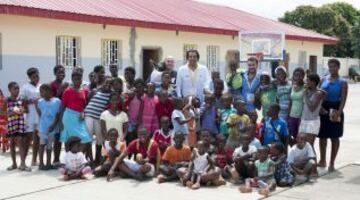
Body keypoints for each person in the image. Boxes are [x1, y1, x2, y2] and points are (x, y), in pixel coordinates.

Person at [318, 59, 348, 172]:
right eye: (330, 66)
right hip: (323, 109)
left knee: (335, 137)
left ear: (338, 67)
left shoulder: (342, 82)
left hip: (336, 109)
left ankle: (332, 162)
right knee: (322, 137)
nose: (332, 69)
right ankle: (322, 160)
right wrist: (319, 108)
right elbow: (318, 94)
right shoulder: (323, 79)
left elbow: (343, 99)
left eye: (334, 66)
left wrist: (339, 112)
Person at [60, 71, 92, 150]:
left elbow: (85, 105)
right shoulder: (67, 91)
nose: (78, 80)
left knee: (85, 139)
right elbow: (62, 107)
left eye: (79, 78)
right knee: (69, 139)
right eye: (75, 79)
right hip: (68, 117)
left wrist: (83, 113)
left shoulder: (85, 91)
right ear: (72, 80)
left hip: (79, 117)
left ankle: (79, 157)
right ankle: (69, 159)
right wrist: (60, 121)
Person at [85, 74, 112, 164]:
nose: (107, 85)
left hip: (98, 118)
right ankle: (90, 159)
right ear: (102, 81)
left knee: (100, 138)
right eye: (106, 82)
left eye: (110, 83)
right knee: (88, 138)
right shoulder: (95, 91)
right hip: (89, 115)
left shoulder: (110, 94)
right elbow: (88, 102)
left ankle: (97, 158)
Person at [36, 84, 61, 170]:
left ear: (50, 91)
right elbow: (40, 114)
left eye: (43, 91)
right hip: (43, 128)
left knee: (49, 146)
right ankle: (41, 163)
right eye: (41, 91)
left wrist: (54, 125)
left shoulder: (57, 101)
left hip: (52, 128)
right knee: (42, 145)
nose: (42, 93)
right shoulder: (40, 102)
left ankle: (48, 163)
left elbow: (58, 114)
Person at [5, 82, 29, 171]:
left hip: (20, 123)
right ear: (10, 90)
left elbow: (27, 110)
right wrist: (11, 112)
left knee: (20, 142)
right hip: (11, 124)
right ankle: (14, 163)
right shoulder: (7, 100)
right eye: (15, 88)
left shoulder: (21, 99)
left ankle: (23, 163)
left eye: (18, 88)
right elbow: (2, 111)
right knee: (12, 143)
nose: (17, 90)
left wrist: (23, 110)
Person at [21, 67, 41, 166]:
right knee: (28, 138)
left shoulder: (40, 86)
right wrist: (31, 101)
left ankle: (34, 160)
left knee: (37, 138)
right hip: (29, 115)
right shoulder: (25, 87)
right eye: (34, 77)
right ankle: (23, 161)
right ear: (30, 77)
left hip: (39, 114)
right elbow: (21, 100)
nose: (36, 78)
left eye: (37, 76)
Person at [299, 74, 326, 146]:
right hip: (304, 120)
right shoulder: (308, 91)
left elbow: (312, 108)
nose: (306, 82)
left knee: (309, 145)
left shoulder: (318, 93)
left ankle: (313, 157)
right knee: (303, 144)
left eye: (307, 80)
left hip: (312, 122)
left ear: (313, 82)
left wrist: (305, 95)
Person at [49, 65, 68, 165]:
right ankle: (56, 159)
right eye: (59, 72)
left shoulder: (67, 84)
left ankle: (67, 159)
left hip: (66, 113)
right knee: (58, 138)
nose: (62, 74)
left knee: (65, 137)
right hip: (57, 114)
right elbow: (51, 99)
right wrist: (60, 90)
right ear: (55, 73)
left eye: (63, 72)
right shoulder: (52, 85)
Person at [288, 68, 305, 145]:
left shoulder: (306, 87)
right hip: (292, 116)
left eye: (299, 75)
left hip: (301, 117)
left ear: (303, 76)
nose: (297, 77)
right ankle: (295, 155)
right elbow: (291, 102)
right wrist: (288, 115)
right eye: (295, 75)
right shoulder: (293, 87)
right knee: (293, 137)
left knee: (301, 138)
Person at [125, 78, 145, 144]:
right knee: (130, 137)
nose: (140, 89)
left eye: (141, 87)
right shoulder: (132, 96)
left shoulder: (145, 97)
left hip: (140, 122)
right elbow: (125, 104)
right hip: (130, 120)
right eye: (138, 87)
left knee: (137, 137)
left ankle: (136, 152)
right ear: (135, 88)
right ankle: (129, 152)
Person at [0, 88, 8, 152]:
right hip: (4, 117)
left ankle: (4, 146)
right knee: (4, 132)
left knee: (3, 132)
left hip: (3, 117)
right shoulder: (4, 98)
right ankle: (4, 145)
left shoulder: (4, 99)